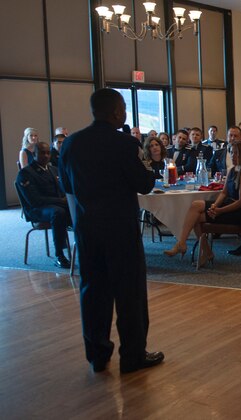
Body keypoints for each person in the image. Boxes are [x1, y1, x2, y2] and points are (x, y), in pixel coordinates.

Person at [58, 88, 162, 374]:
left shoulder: (71, 144)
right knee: (129, 293)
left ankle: (97, 355)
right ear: (116, 112)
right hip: (121, 229)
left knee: (93, 291)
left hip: (87, 228)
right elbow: (144, 184)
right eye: (124, 108)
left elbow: (66, 187)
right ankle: (133, 356)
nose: (125, 113)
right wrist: (150, 167)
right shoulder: (124, 144)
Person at [164, 140, 241, 266]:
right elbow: (224, 193)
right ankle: (202, 251)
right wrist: (215, 205)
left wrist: (219, 210)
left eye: (237, 154)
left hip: (238, 213)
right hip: (229, 206)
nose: (233, 156)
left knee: (196, 206)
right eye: (232, 153)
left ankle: (183, 244)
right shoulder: (233, 170)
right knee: (195, 216)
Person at [15, 141, 72, 268]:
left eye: (48, 153)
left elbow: (63, 189)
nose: (46, 156)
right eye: (42, 153)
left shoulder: (53, 170)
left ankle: (86, 249)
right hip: (37, 209)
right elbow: (34, 200)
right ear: (34, 154)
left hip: (56, 205)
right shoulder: (25, 173)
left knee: (78, 209)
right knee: (59, 213)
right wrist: (61, 201)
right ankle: (60, 255)